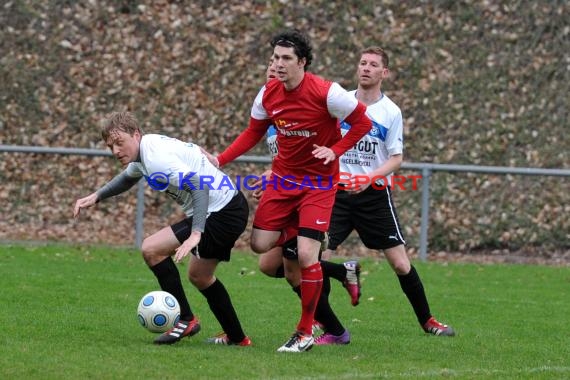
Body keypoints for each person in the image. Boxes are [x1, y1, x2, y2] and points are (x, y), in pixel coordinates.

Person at [209, 29, 372, 352]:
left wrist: (335, 151)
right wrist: (219, 159)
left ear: (303, 63)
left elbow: (363, 123)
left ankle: (305, 331)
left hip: (319, 184)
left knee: (307, 256)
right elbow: (253, 131)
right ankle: (313, 247)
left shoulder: (328, 93)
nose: (278, 64)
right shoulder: (267, 94)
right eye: (274, 58)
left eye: (285, 59)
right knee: (259, 245)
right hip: (284, 182)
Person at [73, 112, 251, 346]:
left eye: (119, 143)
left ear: (136, 135)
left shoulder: (156, 157)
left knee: (152, 249)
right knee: (200, 276)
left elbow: (199, 186)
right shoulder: (144, 152)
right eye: (110, 146)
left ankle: (186, 320)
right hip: (228, 206)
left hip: (221, 212)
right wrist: (96, 196)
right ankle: (238, 338)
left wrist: (196, 233)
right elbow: (128, 178)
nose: (115, 151)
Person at [323, 46, 455, 337]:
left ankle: (428, 321)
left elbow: (396, 158)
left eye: (373, 64)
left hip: (374, 196)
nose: (366, 68)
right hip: (337, 195)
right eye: (362, 63)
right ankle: (324, 326)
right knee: (316, 259)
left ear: (385, 73)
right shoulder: (339, 102)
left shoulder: (390, 111)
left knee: (399, 262)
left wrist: (369, 178)